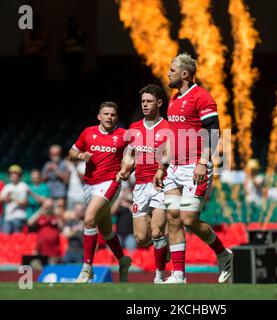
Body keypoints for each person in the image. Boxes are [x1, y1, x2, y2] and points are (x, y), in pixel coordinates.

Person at [153, 53, 233, 284]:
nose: (168, 73)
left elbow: (214, 132)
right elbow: (172, 137)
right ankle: (178, 275)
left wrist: (202, 162)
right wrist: (161, 166)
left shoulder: (202, 97)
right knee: (173, 218)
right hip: (174, 168)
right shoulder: (174, 99)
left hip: (194, 167)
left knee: (188, 219)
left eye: (172, 69)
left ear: (185, 74)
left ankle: (222, 253)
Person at [69, 101, 132, 283]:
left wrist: (127, 169)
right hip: (90, 185)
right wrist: (80, 156)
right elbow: (71, 153)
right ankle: (123, 259)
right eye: (106, 114)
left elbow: (136, 153)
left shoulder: (123, 135)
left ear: (117, 118)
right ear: (99, 116)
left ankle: (87, 268)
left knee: (89, 219)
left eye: (112, 115)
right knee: (105, 230)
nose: (109, 117)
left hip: (111, 183)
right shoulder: (88, 132)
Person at [117, 84, 170, 283]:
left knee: (157, 231)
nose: (145, 105)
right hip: (140, 186)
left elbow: (169, 154)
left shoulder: (167, 127)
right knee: (141, 238)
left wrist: (161, 169)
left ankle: (159, 276)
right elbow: (129, 156)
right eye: (143, 102)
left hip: (161, 184)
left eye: (149, 101)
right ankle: (164, 248)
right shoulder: (135, 128)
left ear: (159, 103)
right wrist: (124, 170)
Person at [27, 198, 63, 264]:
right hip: (41, 249)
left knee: (52, 270)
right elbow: (30, 222)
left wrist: (56, 214)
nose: (48, 208)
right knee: (41, 270)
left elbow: (61, 227)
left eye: (50, 206)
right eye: (47, 206)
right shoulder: (40, 217)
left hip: (53, 250)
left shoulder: (55, 217)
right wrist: (41, 209)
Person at [0, 165, 29, 234]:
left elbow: (25, 202)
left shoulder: (23, 186)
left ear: (19, 176)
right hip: (7, 217)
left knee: (17, 239)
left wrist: (12, 198)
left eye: (16, 174)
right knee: (6, 240)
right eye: (12, 175)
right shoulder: (7, 186)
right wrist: (6, 197)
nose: (14, 176)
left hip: (19, 216)